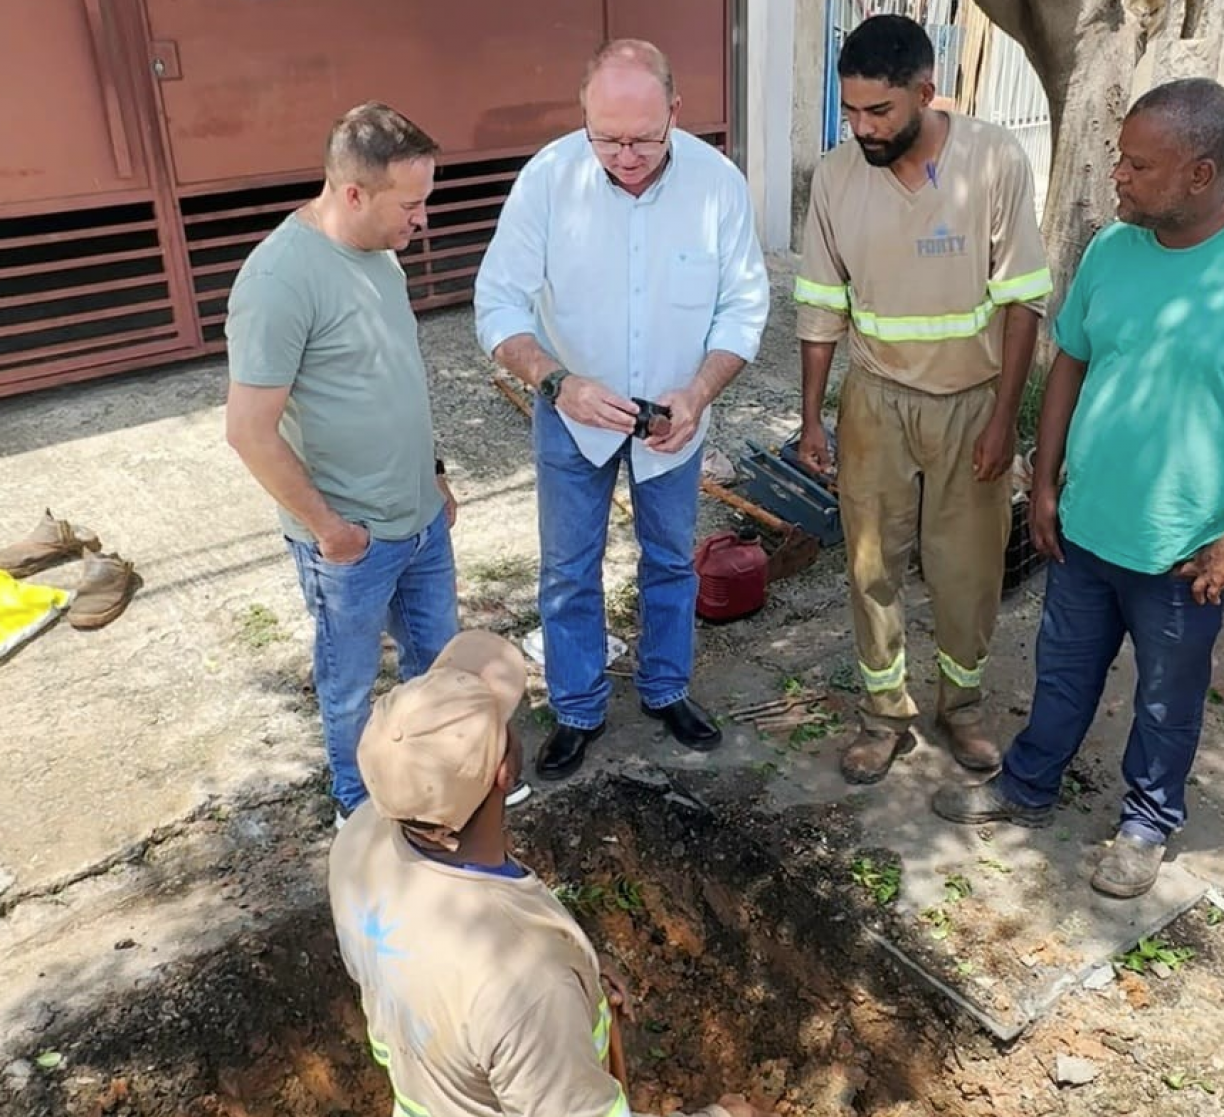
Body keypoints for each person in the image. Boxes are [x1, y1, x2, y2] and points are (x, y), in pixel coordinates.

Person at [932, 78, 1224, 899]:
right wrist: (1044, 481)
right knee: (1062, 672)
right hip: (1086, 526)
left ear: (1200, 173)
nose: (1117, 176)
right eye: (1118, 158)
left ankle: (1148, 821)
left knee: (1166, 699)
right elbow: (1072, 360)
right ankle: (1027, 785)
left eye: (1138, 165)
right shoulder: (1111, 251)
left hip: (1185, 553)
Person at [474, 40, 770, 782]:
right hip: (571, 414)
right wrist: (555, 381)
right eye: (607, 139)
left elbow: (744, 305)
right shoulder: (548, 180)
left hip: (676, 417)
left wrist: (699, 392)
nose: (627, 157)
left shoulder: (718, 185)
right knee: (568, 569)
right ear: (583, 117)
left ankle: (666, 688)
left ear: (676, 112)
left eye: (644, 139)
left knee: (670, 560)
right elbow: (498, 303)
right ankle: (577, 707)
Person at [226, 103, 529, 821]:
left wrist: (435, 473)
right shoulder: (277, 281)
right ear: (354, 193)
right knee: (350, 685)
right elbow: (248, 432)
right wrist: (331, 531)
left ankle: (443, 788)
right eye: (411, 204)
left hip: (419, 521)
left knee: (439, 667)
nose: (422, 219)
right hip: (351, 542)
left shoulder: (381, 252)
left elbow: (397, 376)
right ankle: (358, 804)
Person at [328, 628, 773, 1117]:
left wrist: (578, 971)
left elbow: (416, 989)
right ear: (505, 773)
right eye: (504, 722)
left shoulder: (359, 840)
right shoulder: (529, 987)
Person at [794, 15, 1050, 785]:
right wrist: (811, 418)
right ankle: (884, 715)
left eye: (880, 111)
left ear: (926, 92)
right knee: (871, 566)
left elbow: (1023, 300)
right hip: (875, 400)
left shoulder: (993, 160)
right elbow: (819, 304)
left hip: (971, 403)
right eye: (851, 111)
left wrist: (1004, 419)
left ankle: (961, 706)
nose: (863, 128)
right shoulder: (837, 176)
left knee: (966, 569)